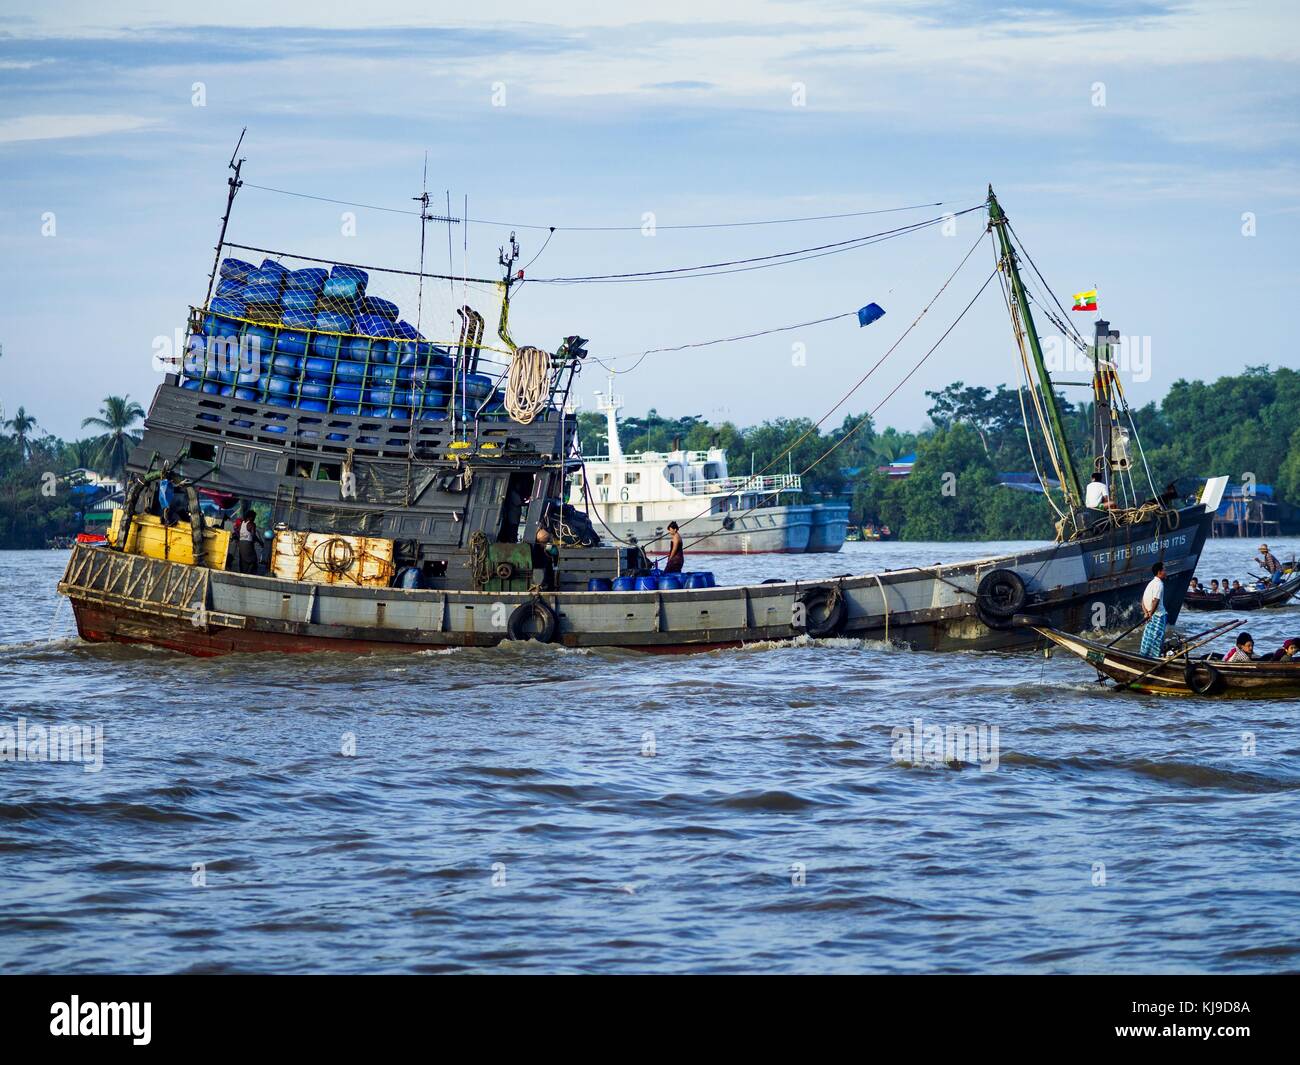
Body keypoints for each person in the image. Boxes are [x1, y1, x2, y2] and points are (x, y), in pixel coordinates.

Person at [1139, 562, 1167, 658]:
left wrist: (1146, 613)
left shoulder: (1151, 583)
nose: (1165, 572)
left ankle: (1144, 656)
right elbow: (1156, 601)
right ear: (1159, 572)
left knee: (1148, 638)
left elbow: (1142, 600)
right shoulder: (1159, 584)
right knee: (1156, 639)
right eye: (1164, 570)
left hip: (1151, 615)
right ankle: (1154, 659)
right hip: (1158, 616)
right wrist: (1149, 614)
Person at [236, 507, 259, 574]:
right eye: (254, 517)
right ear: (251, 517)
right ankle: (250, 575)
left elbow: (238, 532)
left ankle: (242, 574)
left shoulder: (242, 524)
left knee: (243, 561)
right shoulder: (251, 524)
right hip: (247, 544)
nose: (254, 519)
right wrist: (260, 542)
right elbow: (253, 535)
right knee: (253, 560)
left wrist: (239, 540)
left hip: (241, 544)